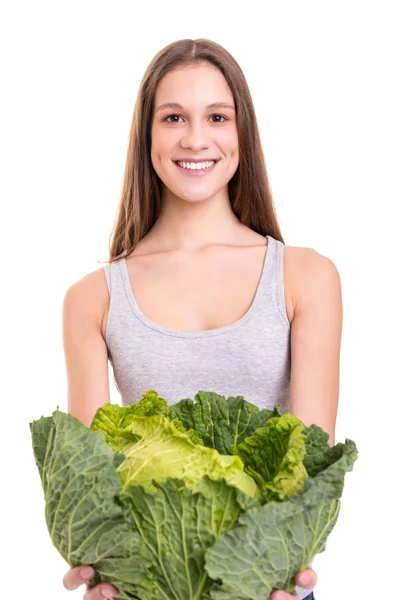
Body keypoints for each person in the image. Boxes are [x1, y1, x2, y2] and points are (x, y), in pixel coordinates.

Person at [61, 38, 341, 600]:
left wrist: (283, 561)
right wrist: (92, 564)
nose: (195, 138)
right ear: (148, 136)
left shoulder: (306, 277)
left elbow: (311, 471)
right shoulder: (92, 297)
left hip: (269, 585)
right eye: (173, 118)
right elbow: (92, 479)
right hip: (147, 584)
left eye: (217, 116)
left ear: (243, 135)